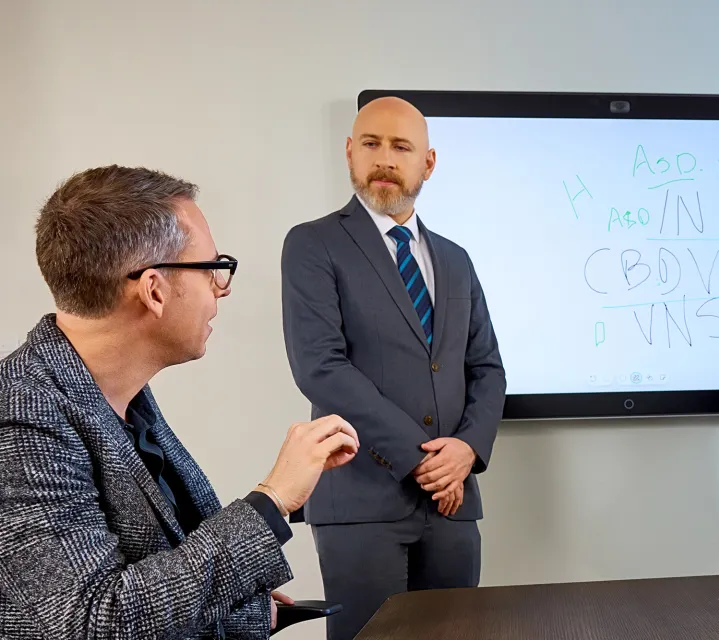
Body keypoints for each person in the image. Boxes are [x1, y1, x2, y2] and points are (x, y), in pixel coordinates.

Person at [0, 165, 359, 639]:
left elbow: (152, 583)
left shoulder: (122, 398)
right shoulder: (22, 413)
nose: (221, 288)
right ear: (154, 290)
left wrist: (245, 610)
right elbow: (94, 622)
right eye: (212, 269)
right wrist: (271, 501)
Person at [281, 96, 506, 639]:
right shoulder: (313, 244)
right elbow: (320, 368)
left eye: (401, 147)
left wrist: (466, 450)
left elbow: (487, 369)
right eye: (371, 144)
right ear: (350, 153)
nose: (384, 158)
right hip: (360, 501)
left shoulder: (455, 259)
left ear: (428, 162)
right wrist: (422, 462)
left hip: (453, 505)